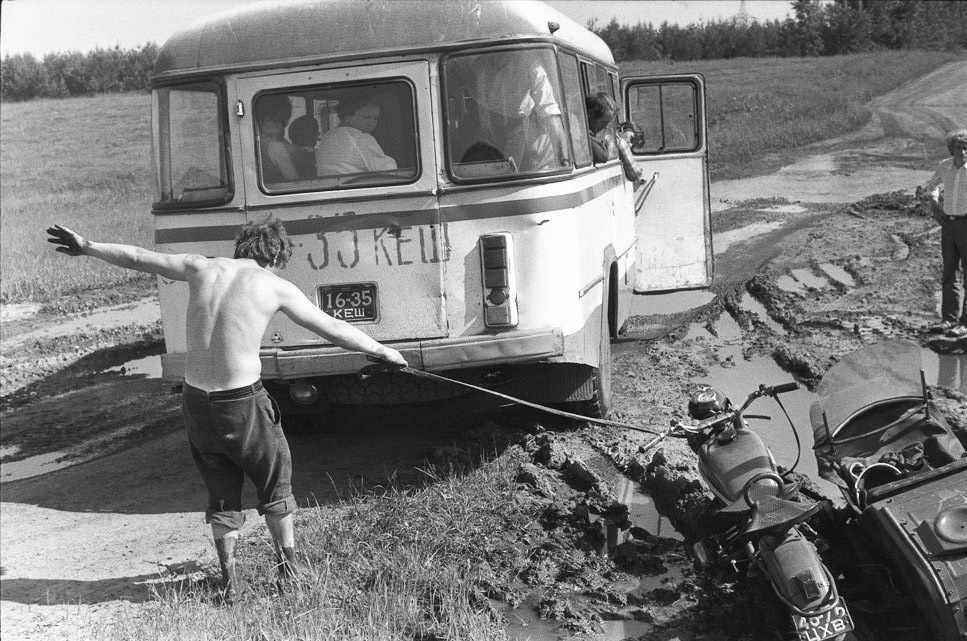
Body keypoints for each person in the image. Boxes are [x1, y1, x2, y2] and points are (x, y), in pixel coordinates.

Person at [45, 219, 408, 601]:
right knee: (275, 480)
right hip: (242, 401)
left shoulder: (201, 267)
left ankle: (230, 581)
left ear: (241, 248)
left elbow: (138, 258)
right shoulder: (274, 286)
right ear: (275, 256)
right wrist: (383, 351)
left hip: (196, 402)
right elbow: (332, 328)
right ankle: (290, 571)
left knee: (221, 491)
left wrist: (86, 244)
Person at [472, 51, 568, 172]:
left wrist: (563, 163)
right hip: (482, 124)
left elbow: (549, 111)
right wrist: (485, 127)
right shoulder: (477, 62)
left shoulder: (530, 63)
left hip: (517, 124)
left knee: (508, 174)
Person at [923, 129, 967, 337]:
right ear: (952, 149)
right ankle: (949, 320)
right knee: (950, 273)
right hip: (948, 225)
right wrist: (934, 204)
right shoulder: (945, 166)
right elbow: (932, 186)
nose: (964, 151)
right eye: (960, 147)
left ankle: (965, 324)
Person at [315, 97, 397, 176]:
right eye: (366, 117)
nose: (372, 123)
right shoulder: (359, 138)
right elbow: (389, 170)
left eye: (375, 118)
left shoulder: (327, 137)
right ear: (347, 117)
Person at [585, 92, 645, 186]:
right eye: (603, 122)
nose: (604, 127)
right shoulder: (581, 132)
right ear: (590, 114)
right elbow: (602, 156)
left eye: (607, 124)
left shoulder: (595, 134)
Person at [255, 94, 299, 183]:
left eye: (282, 120)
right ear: (261, 120)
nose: (280, 126)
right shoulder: (276, 147)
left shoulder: (254, 143)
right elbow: (294, 180)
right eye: (274, 120)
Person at [287, 114, 320, 179]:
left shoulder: (287, 156)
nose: (319, 134)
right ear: (315, 135)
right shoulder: (319, 157)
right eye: (317, 132)